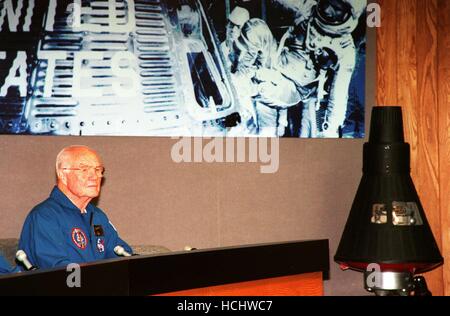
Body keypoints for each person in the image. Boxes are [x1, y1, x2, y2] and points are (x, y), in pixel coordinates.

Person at [18, 146, 133, 270]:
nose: (94, 176)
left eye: (98, 169)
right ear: (62, 174)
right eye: (84, 169)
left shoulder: (97, 216)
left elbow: (122, 255)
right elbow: (56, 273)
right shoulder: (44, 217)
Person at [229, 18, 301, 137]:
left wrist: (282, 122)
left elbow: (284, 97)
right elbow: (243, 70)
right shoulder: (255, 56)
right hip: (250, 111)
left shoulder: (279, 62)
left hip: (266, 112)